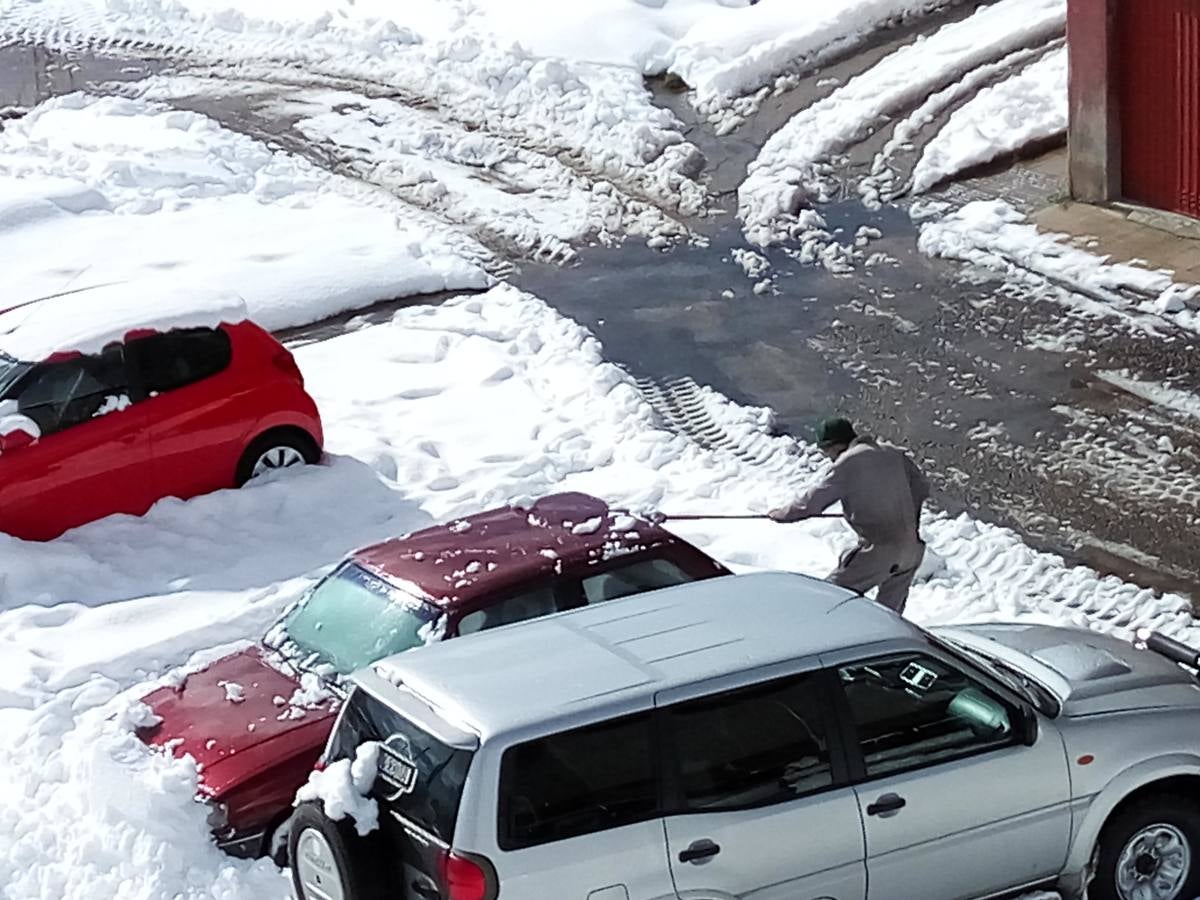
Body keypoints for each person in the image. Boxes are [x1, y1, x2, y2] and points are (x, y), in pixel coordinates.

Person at [770, 417, 929, 615]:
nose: (829, 458)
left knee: (828, 600)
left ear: (834, 445)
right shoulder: (893, 453)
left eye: (826, 452)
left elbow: (812, 503)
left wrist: (781, 514)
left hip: (879, 551)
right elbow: (921, 488)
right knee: (888, 618)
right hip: (912, 551)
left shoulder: (849, 461)